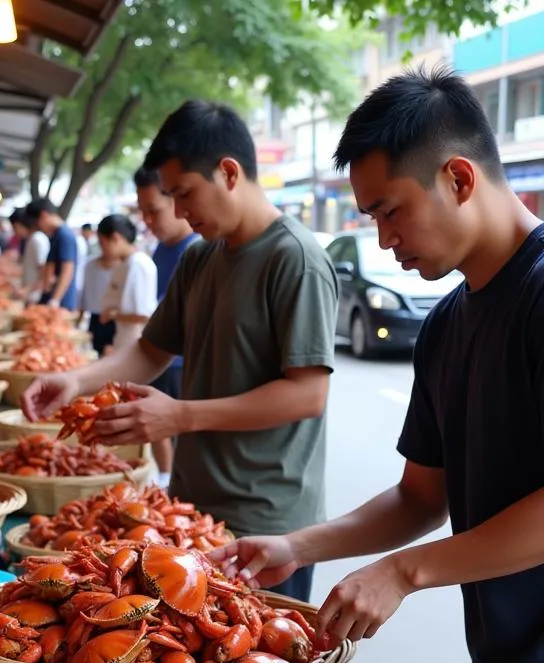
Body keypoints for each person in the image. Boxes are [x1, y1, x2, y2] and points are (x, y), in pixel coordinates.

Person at [211, 68, 544, 663]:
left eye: (391, 212)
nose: (385, 241)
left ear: (459, 179)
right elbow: (418, 497)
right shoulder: (447, 328)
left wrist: (407, 572)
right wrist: (299, 545)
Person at [21, 100, 337, 601]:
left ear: (229, 173)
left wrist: (180, 416)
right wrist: (76, 381)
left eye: (185, 194)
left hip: (267, 522)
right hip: (191, 511)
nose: (180, 211)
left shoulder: (295, 258)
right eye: (172, 196)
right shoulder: (200, 257)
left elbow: (307, 396)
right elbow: (150, 350)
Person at [135, 164, 201, 484]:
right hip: (160, 356)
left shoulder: (195, 250)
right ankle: (165, 479)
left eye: (153, 211)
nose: (148, 221)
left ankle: (167, 479)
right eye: (143, 212)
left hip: (179, 364)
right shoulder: (167, 249)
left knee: (171, 433)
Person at [97, 214, 157, 353]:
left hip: (135, 345)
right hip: (124, 341)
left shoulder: (137, 264)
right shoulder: (126, 263)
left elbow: (144, 316)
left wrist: (112, 314)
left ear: (115, 238)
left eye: (102, 243)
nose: (102, 249)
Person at [27, 199, 80, 310]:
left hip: (61, 302)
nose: (39, 228)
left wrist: (55, 300)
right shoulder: (55, 235)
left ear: (44, 215)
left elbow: (67, 270)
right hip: (53, 297)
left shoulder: (64, 236)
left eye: (37, 224)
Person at [79, 246, 116, 356]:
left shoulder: (126, 267)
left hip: (115, 319)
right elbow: (85, 292)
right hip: (95, 316)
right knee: (96, 351)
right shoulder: (90, 265)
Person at [12, 208, 50, 302]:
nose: (15, 232)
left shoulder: (37, 240)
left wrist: (27, 290)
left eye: (15, 228)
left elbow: (44, 271)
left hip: (35, 296)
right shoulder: (31, 239)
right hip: (30, 295)